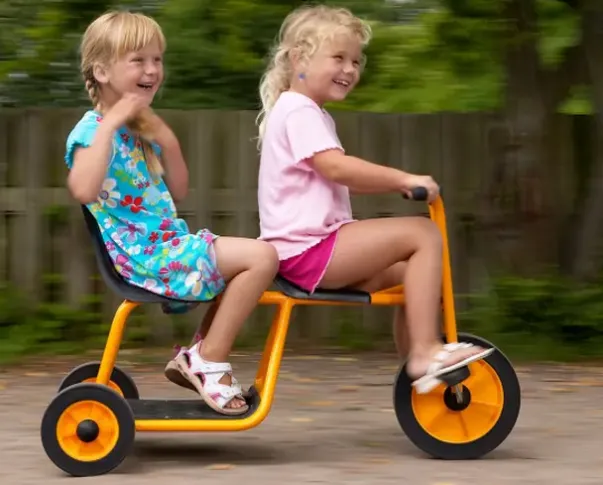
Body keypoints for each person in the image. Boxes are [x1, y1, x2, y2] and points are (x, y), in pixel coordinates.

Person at [255, 5, 494, 394]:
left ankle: (421, 370)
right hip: (309, 250)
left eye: (355, 61)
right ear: (299, 59)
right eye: (338, 58)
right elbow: (336, 168)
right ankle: (425, 352)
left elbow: (335, 173)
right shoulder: (299, 110)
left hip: (309, 251)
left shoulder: (306, 112)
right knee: (422, 234)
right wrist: (403, 179)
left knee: (414, 275)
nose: (349, 69)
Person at [64, 10, 278, 415]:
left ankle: (199, 356)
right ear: (102, 71)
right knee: (262, 257)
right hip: (145, 258)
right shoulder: (92, 131)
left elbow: (179, 190)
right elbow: (83, 189)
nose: (152, 70)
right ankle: (208, 360)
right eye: (138, 60)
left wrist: (167, 140)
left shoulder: (138, 131)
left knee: (249, 262)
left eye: (157, 59)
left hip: (166, 246)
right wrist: (109, 126)